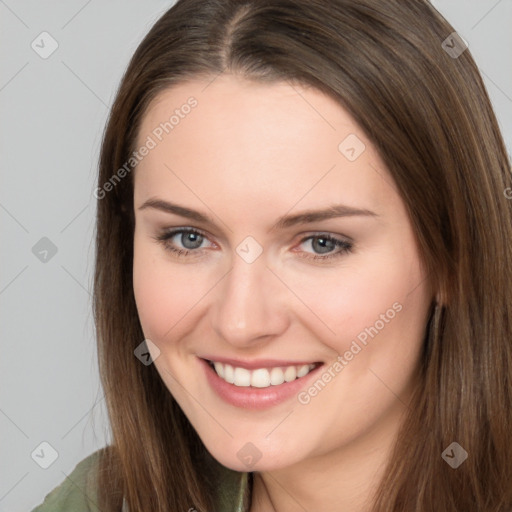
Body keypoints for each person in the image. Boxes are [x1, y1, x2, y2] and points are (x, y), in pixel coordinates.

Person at [31, 0, 512, 511]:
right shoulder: (100, 501)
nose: (240, 323)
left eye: (321, 243)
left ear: (452, 258)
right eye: (188, 238)